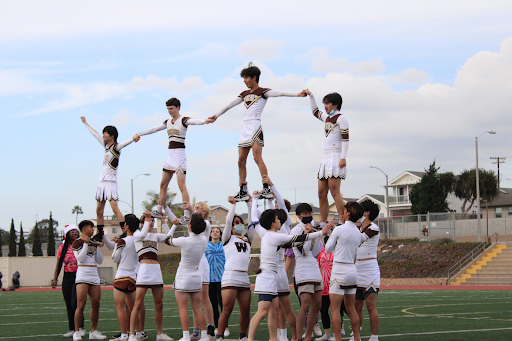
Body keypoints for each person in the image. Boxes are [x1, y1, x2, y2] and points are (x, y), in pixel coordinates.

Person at [207, 63, 306, 201]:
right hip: (244, 127)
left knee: (256, 157)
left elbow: (279, 93)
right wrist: (216, 115)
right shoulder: (244, 94)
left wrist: (298, 94)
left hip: (255, 125)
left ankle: (266, 187)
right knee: (241, 160)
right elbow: (229, 105)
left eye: (246, 77)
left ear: (254, 77)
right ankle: (242, 189)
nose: (244, 81)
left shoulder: (263, 92)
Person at [248, 207, 331, 341]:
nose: (280, 220)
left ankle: (274, 339)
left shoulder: (272, 236)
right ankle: (250, 339)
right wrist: (321, 232)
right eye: (277, 219)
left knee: (273, 312)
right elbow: (297, 238)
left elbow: (296, 241)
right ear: (272, 224)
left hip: (272, 277)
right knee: (262, 311)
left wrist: (307, 233)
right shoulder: (273, 235)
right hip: (267, 277)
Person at [133, 98, 209, 221]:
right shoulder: (168, 122)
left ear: (178, 107)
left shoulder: (183, 120)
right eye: (168, 109)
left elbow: (194, 121)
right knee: (163, 184)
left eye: (171, 108)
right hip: (170, 155)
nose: (169, 111)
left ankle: (186, 214)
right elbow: (154, 129)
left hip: (179, 155)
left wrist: (205, 121)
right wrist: (140, 133)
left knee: (181, 185)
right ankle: (159, 209)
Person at [80, 117, 134, 243]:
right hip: (102, 180)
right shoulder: (105, 146)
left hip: (111, 181)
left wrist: (134, 138)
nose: (103, 135)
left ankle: (125, 231)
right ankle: (99, 233)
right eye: (103, 133)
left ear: (112, 135)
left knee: (115, 208)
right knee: (99, 210)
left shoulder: (116, 147)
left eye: (106, 133)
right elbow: (94, 134)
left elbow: (126, 143)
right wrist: (85, 123)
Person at [302, 90, 349, 226]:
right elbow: (315, 111)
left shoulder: (341, 118)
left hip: (336, 156)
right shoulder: (327, 118)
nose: (325, 106)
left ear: (335, 105)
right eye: (324, 103)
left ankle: (342, 219)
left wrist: (343, 157)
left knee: (335, 191)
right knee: (321, 192)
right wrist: (311, 96)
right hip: (325, 157)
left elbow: (346, 139)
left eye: (327, 103)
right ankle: (323, 221)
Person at [324, 202, 369, 341]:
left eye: (345, 210)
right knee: (351, 309)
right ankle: (357, 338)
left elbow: (328, 249)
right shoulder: (358, 232)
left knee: (335, 308)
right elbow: (355, 239)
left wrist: (330, 234)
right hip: (352, 270)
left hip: (339, 270)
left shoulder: (339, 229)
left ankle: (338, 339)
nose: (342, 211)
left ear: (348, 213)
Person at [128, 211, 173, 341]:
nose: (152, 222)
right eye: (149, 221)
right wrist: (147, 218)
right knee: (138, 303)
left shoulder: (155, 235)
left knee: (159, 304)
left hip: (156, 270)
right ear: (142, 223)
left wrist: (164, 221)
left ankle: (160, 334)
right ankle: (132, 334)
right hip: (144, 270)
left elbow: (168, 236)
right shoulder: (137, 234)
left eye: (153, 221)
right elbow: (143, 234)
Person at [216, 196, 256, 341]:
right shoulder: (227, 238)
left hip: (244, 276)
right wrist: (233, 205)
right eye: (237, 222)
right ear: (232, 226)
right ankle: (220, 336)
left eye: (241, 222)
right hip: (231, 276)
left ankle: (243, 336)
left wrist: (250, 204)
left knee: (246, 310)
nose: (240, 224)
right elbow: (227, 222)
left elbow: (252, 223)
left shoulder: (247, 239)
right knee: (227, 309)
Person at [165, 213, 209, 341]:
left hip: (183, 276)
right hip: (196, 275)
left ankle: (185, 336)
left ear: (190, 226)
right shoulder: (204, 240)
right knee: (197, 308)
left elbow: (167, 240)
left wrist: (174, 225)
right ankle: (205, 336)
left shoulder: (184, 240)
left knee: (182, 308)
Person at [101, 214, 141, 341]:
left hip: (122, 275)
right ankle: (133, 334)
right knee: (133, 308)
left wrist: (117, 245)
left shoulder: (122, 241)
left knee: (120, 307)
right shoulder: (138, 240)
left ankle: (124, 335)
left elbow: (115, 258)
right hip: (133, 276)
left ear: (127, 226)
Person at [290, 204, 324, 341]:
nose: (308, 215)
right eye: (304, 213)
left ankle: (308, 336)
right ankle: (298, 337)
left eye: (309, 213)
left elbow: (315, 252)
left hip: (314, 270)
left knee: (317, 305)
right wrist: (307, 235)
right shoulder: (295, 231)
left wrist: (313, 235)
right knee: (305, 305)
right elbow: (302, 251)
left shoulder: (313, 229)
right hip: (303, 271)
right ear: (298, 216)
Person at [183, 201, 215, 340]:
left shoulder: (206, 224)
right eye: (195, 208)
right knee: (195, 299)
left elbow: (201, 222)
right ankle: (196, 330)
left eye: (197, 209)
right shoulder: (194, 223)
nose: (194, 210)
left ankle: (210, 328)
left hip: (202, 263)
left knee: (204, 298)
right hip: (195, 263)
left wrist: (191, 209)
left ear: (204, 212)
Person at [72, 220, 107, 341]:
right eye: (91, 228)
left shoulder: (94, 242)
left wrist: (98, 247)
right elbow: (80, 259)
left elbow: (100, 260)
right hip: (82, 274)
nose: (93, 230)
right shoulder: (77, 243)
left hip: (93, 274)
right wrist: (86, 244)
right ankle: (76, 331)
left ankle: (93, 331)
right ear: (84, 228)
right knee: (81, 304)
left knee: (96, 304)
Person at [51, 225, 85, 338]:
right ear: (67, 234)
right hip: (67, 277)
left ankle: (80, 327)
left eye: (76, 231)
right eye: (72, 232)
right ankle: (72, 328)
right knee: (69, 304)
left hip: (79, 276)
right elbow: (59, 263)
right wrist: (55, 278)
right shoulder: (62, 247)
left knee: (76, 303)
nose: (75, 233)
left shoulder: (81, 245)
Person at [354, 200, 381, 341]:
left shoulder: (374, 228)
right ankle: (356, 335)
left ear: (367, 212)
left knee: (371, 306)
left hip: (370, 269)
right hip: (357, 268)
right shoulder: (357, 228)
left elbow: (358, 239)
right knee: (356, 305)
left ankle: (374, 336)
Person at [316, 237, 347, 341]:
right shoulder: (321, 253)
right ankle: (327, 333)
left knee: (339, 308)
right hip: (324, 287)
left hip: (335, 286)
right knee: (323, 310)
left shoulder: (338, 253)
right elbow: (320, 268)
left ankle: (340, 330)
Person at [205, 227, 228, 336]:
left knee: (222, 304)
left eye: (217, 232)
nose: (214, 233)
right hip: (209, 279)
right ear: (210, 234)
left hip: (222, 278)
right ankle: (217, 326)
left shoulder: (224, 245)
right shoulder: (206, 246)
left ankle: (225, 327)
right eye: (213, 231)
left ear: (220, 235)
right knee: (213, 304)